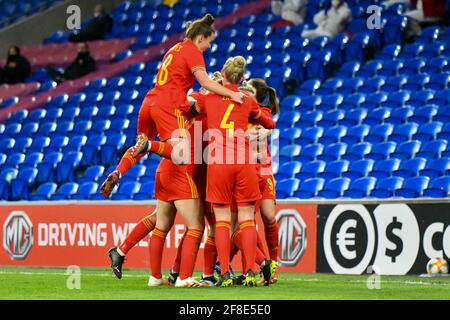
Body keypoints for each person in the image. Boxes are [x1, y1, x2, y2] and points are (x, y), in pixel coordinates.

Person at [188, 56, 276, 287]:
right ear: (241, 78)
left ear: (223, 75)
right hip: (244, 161)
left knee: (223, 221)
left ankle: (224, 273)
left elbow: (191, 109)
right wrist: (260, 119)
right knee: (247, 219)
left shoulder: (209, 97)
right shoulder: (247, 99)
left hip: (219, 162)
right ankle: (249, 272)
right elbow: (270, 123)